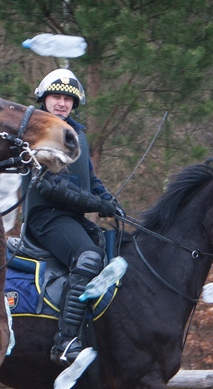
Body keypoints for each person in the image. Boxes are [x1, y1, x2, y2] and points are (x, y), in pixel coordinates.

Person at [22, 68, 123, 365]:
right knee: (88, 258)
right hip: (47, 217)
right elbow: (50, 186)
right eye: (56, 96)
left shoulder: (77, 135)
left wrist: (109, 201)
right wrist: (95, 203)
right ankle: (65, 341)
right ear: (44, 99)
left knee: (114, 254)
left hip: (73, 219)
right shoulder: (38, 132)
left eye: (68, 98)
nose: (62, 103)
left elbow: (91, 180)